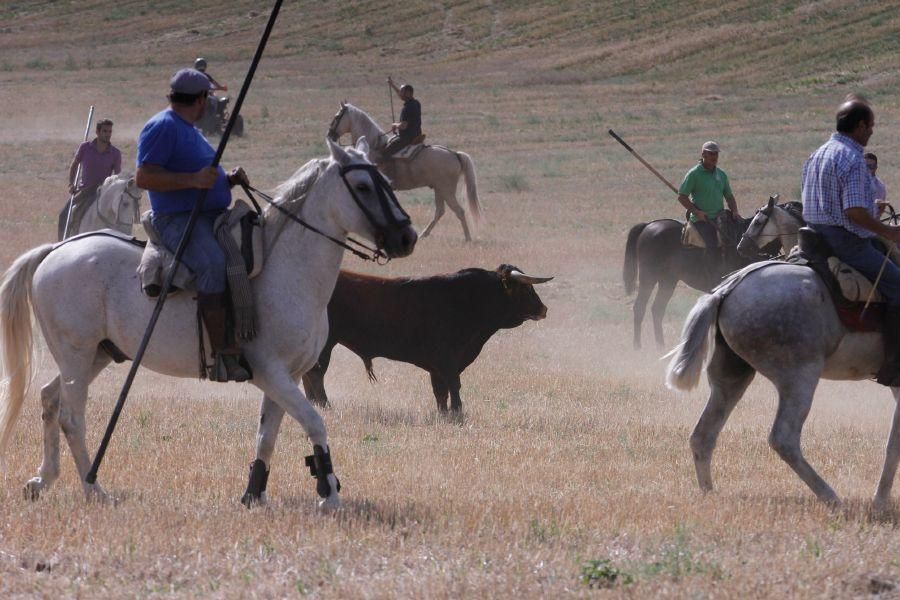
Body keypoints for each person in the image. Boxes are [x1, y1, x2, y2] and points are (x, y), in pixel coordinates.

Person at [135, 68, 250, 382]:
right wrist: (195, 180)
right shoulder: (163, 127)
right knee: (213, 264)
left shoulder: (188, 127)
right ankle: (222, 354)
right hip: (178, 219)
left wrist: (226, 180)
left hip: (208, 214)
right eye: (207, 99)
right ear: (200, 99)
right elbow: (143, 177)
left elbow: (198, 174)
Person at [801, 99, 900, 386]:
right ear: (859, 126)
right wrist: (889, 231)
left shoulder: (818, 154)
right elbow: (854, 212)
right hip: (846, 242)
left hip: (812, 238)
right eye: (870, 126)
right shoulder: (853, 159)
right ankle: (894, 364)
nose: (871, 131)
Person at [676, 141, 741, 272]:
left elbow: (729, 196)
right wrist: (696, 211)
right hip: (701, 220)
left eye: (716, 154)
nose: (714, 157)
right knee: (712, 246)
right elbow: (682, 196)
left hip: (721, 217)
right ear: (703, 154)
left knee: (737, 240)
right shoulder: (694, 174)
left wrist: (735, 211)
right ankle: (711, 276)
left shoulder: (721, 174)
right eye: (711, 153)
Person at [58, 118, 122, 240]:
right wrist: (71, 184)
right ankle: (61, 243)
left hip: (103, 192)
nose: (108, 134)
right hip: (85, 190)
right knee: (64, 215)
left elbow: (117, 175)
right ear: (97, 132)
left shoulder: (115, 153)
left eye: (110, 131)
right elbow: (75, 164)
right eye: (105, 131)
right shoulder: (85, 148)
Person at [383, 76, 421, 157]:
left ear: (408, 93)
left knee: (384, 154)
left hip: (407, 138)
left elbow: (403, 126)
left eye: (402, 91)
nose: (400, 93)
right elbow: (401, 96)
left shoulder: (408, 108)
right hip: (417, 135)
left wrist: (394, 125)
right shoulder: (416, 103)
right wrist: (392, 85)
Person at [194, 57, 227, 122]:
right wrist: (222, 88)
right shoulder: (206, 75)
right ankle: (217, 117)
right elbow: (215, 84)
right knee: (216, 101)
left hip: (195, 96)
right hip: (206, 95)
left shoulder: (193, 75)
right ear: (205, 66)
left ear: (196, 66)